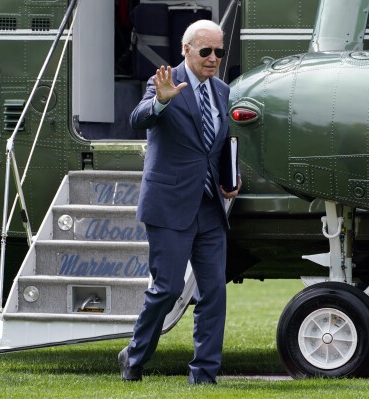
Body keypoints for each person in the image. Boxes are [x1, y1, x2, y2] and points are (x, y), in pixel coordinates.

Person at [118, 19, 241, 384]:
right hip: (169, 205)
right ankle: (134, 355)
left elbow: (215, 145)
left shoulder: (222, 91)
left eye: (219, 51)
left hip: (209, 208)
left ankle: (204, 374)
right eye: (206, 51)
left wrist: (229, 178)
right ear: (186, 49)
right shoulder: (164, 82)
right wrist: (159, 100)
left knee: (213, 293)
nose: (214, 58)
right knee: (168, 289)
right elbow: (137, 119)